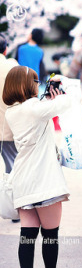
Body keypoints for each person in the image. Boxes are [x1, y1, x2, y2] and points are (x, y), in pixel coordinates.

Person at [4, 67, 73, 268]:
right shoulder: (34, 108)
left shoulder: (11, 112)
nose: (38, 84)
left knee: (27, 235)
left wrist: (46, 96)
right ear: (26, 84)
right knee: (51, 233)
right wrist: (60, 90)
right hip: (43, 180)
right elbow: (63, 105)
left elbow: (38, 110)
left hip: (23, 179)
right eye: (35, 80)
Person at [0, 35, 20, 223]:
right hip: (7, 124)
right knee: (12, 165)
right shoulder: (12, 67)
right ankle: (15, 208)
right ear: (5, 49)